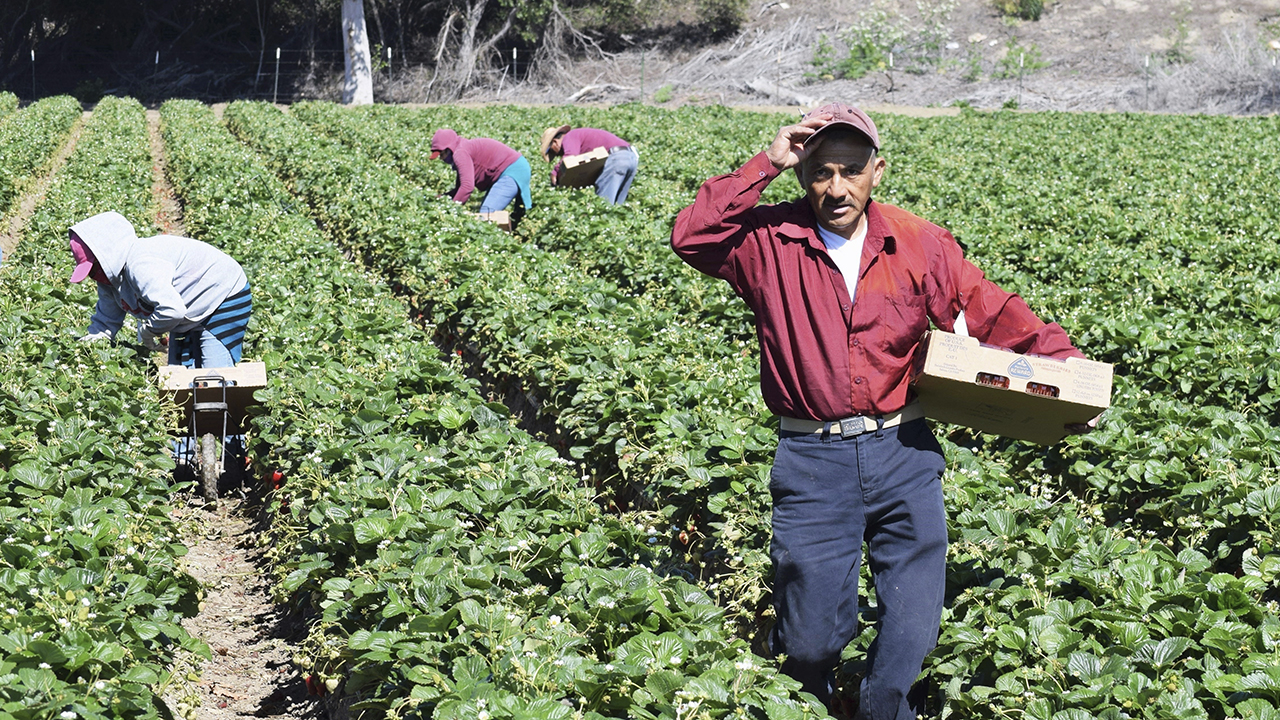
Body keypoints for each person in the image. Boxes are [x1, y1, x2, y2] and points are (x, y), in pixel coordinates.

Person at [670, 103, 1095, 719]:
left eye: (851, 170)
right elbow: (691, 236)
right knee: (812, 636)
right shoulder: (767, 241)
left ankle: (879, 710)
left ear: (878, 170)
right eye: (820, 171)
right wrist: (765, 161)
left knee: (911, 632)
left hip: (903, 450)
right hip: (813, 458)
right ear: (801, 173)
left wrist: (1070, 380)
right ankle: (808, 690)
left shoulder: (918, 241)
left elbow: (993, 312)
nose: (836, 188)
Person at [70, 211, 251, 370]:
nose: (92, 276)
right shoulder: (109, 280)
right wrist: (83, 350)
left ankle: (225, 406)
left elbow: (173, 311)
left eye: (93, 268)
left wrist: (148, 332)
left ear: (108, 256)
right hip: (189, 306)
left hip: (223, 295)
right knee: (180, 376)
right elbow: (105, 323)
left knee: (214, 376)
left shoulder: (141, 264)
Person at [430, 129, 532, 216]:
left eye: (441, 154)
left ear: (449, 149)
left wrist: (451, 210)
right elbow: (460, 188)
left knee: (486, 214)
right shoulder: (461, 149)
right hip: (512, 168)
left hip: (512, 170)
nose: (441, 158)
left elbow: (467, 187)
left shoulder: (460, 153)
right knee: (487, 213)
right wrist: (442, 198)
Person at [540, 125, 639, 204]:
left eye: (552, 151)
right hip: (631, 158)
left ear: (555, 142)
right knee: (618, 206)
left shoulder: (569, 137)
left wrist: (555, 172)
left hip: (616, 159)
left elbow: (569, 158)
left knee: (604, 206)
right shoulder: (580, 137)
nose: (557, 155)